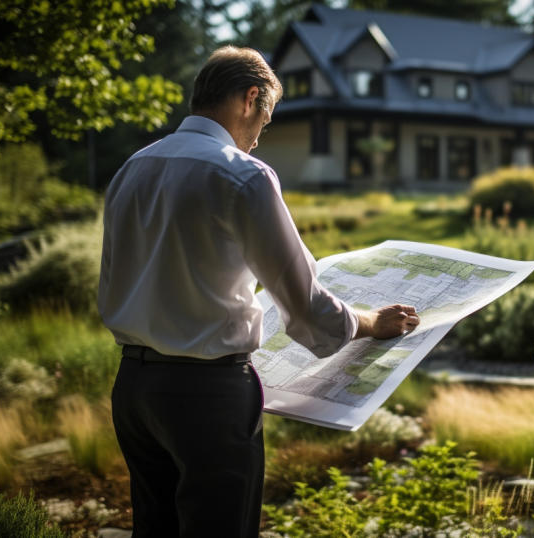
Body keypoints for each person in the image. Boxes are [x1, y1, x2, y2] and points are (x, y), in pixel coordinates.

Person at [97, 46, 419, 538]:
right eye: (265, 121)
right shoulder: (242, 175)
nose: (256, 139)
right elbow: (307, 308)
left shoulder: (134, 167)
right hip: (207, 395)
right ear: (251, 99)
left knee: (154, 528)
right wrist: (372, 323)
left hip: (134, 390)